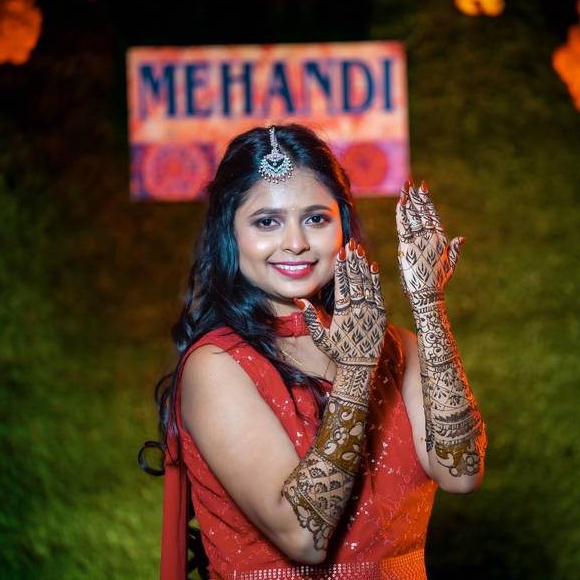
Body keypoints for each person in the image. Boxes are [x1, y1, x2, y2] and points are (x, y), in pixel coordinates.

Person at [150, 124, 486, 579]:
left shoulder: (397, 347)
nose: (296, 243)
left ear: (342, 225)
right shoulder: (216, 367)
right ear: (230, 234)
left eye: (316, 218)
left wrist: (428, 305)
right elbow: (304, 537)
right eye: (267, 221)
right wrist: (355, 372)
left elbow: (461, 472)